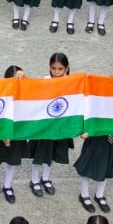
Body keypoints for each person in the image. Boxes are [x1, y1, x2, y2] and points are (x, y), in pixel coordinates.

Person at [27, 53, 73, 197]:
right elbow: (31, 87)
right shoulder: (45, 81)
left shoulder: (72, 83)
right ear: (49, 67)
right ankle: (34, 180)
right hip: (44, 126)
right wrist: (23, 75)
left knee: (52, 153)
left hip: (59, 127)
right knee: (39, 154)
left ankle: (45, 178)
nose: (56, 72)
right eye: (53, 68)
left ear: (67, 68)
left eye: (60, 69)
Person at [0, 65, 29, 203]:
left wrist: (26, 77)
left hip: (17, 133)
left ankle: (8, 185)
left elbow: (42, 89)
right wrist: (3, 135)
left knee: (13, 160)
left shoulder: (26, 95)